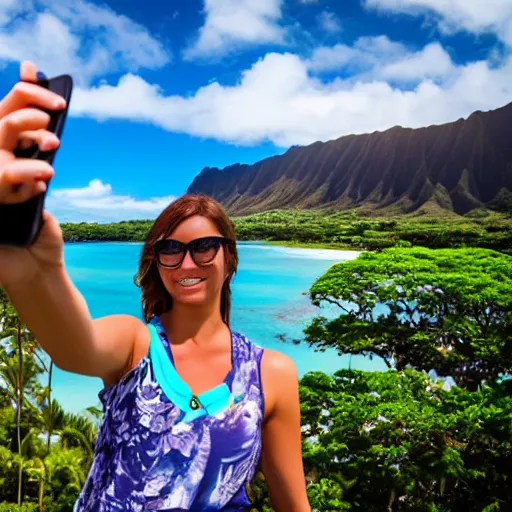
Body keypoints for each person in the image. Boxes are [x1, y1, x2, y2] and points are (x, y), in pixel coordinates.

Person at [0, 62, 311, 511]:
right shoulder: (136, 345)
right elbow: (74, 344)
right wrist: (34, 270)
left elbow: (293, 504)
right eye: (171, 250)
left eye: (204, 247)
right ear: (156, 262)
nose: (188, 262)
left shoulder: (272, 374)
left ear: (230, 258)